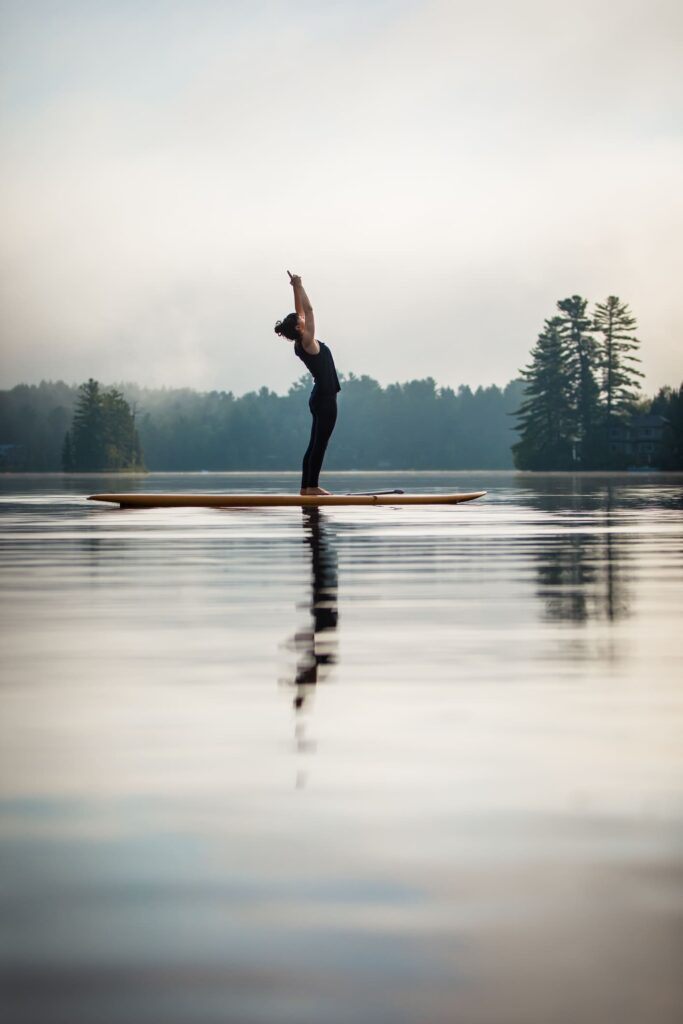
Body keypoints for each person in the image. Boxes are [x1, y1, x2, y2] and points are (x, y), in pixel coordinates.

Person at [274, 272, 341, 496]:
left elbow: (301, 311)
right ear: (299, 329)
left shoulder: (300, 342)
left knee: (314, 443)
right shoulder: (308, 341)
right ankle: (312, 487)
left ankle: (305, 488)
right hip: (325, 399)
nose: (303, 320)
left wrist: (296, 287)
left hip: (318, 397)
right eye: (301, 322)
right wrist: (301, 285)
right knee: (319, 444)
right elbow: (309, 311)